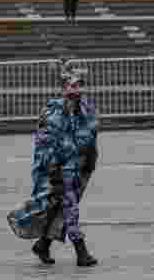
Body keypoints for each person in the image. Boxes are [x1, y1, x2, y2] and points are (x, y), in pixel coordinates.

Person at [7, 68, 99, 267]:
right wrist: (53, 172)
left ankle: (43, 244)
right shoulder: (54, 112)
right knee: (69, 207)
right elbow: (45, 145)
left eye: (79, 85)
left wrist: (91, 158)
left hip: (79, 168)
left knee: (59, 209)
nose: (77, 90)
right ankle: (81, 251)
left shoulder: (86, 109)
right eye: (72, 86)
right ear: (63, 88)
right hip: (59, 169)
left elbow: (91, 134)